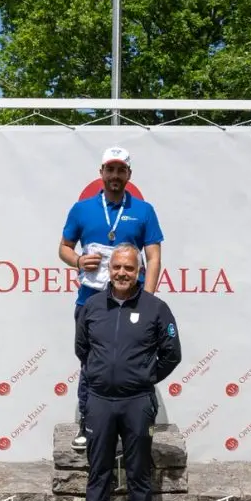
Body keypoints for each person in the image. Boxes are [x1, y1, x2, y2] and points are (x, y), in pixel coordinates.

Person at [58, 146, 164, 451]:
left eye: (121, 170)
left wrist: (149, 298)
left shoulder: (144, 210)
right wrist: (78, 262)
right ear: (101, 172)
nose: (115, 175)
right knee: (91, 361)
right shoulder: (82, 209)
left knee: (138, 357)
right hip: (91, 301)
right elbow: (63, 248)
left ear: (129, 175)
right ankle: (87, 423)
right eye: (110, 169)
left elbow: (153, 257)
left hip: (133, 300)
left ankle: (141, 419)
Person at [74, 243, 181, 501]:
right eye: (117, 267)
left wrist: (143, 377)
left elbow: (172, 354)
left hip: (138, 403)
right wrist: (103, 376)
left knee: (139, 474)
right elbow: (82, 349)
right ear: (109, 269)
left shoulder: (156, 308)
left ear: (140, 271)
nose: (122, 273)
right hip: (99, 402)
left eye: (129, 268)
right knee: (98, 472)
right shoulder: (92, 307)